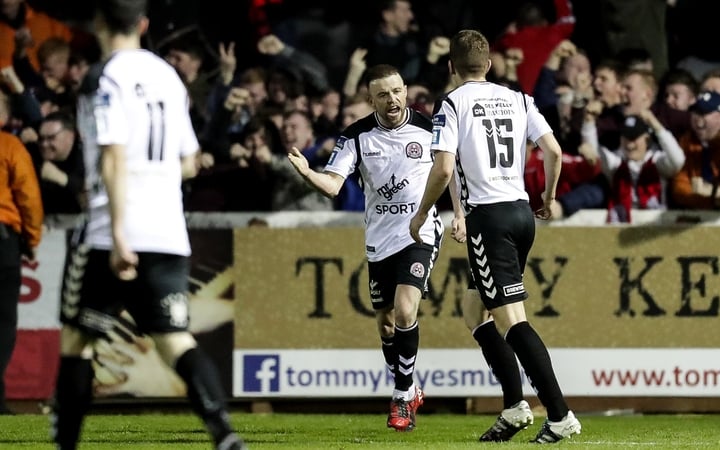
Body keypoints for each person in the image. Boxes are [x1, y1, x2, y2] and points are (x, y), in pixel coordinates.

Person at [50, 1, 246, 449]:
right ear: (143, 24)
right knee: (174, 341)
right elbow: (190, 162)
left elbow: (112, 154)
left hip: (110, 233)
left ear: (98, 21)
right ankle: (224, 433)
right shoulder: (168, 77)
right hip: (167, 233)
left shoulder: (103, 77)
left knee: (78, 341)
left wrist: (120, 232)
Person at [409, 29, 582, 444]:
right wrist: (548, 198)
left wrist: (423, 212)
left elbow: (445, 168)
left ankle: (559, 414)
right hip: (521, 212)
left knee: (512, 319)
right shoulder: (519, 98)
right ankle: (514, 406)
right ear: (488, 65)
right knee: (475, 310)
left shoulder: (451, 103)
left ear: (451, 66)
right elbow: (554, 151)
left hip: (490, 219)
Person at [287, 64, 449, 432]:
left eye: (397, 91)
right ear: (370, 100)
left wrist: (458, 214)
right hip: (380, 239)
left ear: (405, 90)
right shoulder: (356, 136)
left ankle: (402, 396)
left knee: (406, 310)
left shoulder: (429, 129)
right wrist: (308, 173)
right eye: (383, 95)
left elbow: (449, 171)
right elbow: (333, 185)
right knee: (387, 325)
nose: (392, 99)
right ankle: (409, 388)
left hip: (419, 232)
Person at [0, 91, 43, 415]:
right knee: (2, 324)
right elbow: (28, 196)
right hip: (2, 241)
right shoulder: (10, 146)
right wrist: (32, 239)